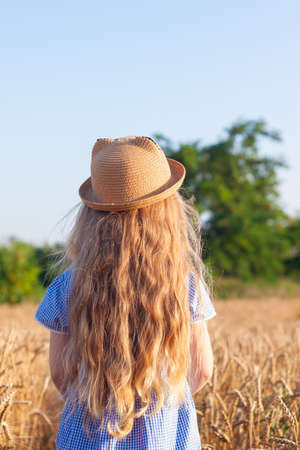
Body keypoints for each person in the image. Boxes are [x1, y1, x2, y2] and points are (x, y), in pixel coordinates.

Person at [34, 136, 216, 450]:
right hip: (168, 439)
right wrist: (160, 404)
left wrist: (98, 404)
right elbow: (201, 371)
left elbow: (61, 374)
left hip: (84, 440)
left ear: (91, 216)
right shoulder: (184, 284)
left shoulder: (65, 286)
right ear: (168, 212)